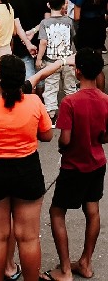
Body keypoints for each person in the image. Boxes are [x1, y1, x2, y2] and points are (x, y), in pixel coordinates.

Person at [0, 55, 53, 281]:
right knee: (29, 237)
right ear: (22, 78)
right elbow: (47, 135)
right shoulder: (34, 102)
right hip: (27, 169)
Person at [44, 49, 108, 281]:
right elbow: (105, 137)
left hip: (73, 166)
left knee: (57, 211)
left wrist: (62, 148)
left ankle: (65, 269)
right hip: (97, 163)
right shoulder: (105, 100)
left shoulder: (69, 102)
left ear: (77, 71)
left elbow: (65, 139)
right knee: (92, 210)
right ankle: (86, 262)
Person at [36, 0, 77, 123]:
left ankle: (51, 115)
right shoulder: (69, 21)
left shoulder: (44, 23)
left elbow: (43, 42)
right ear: (64, 5)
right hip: (67, 59)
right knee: (70, 87)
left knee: (51, 89)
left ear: (48, 5)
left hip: (51, 62)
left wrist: (39, 58)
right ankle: (73, 113)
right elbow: (72, 38)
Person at [70, 0, 108, 89]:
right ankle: (101, 94)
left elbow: (76, 17)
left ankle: (86, 90)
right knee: (98, 65)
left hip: (85, 29)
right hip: (99, 27)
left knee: (84, 63)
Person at [9, 0, 49, 79]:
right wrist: (34, 31)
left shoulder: (13, 0)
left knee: (28, 80)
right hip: (41, 44)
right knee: (42, 80)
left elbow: (17, 25)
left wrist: (27, 42)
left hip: (21, 47)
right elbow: (46, 20)